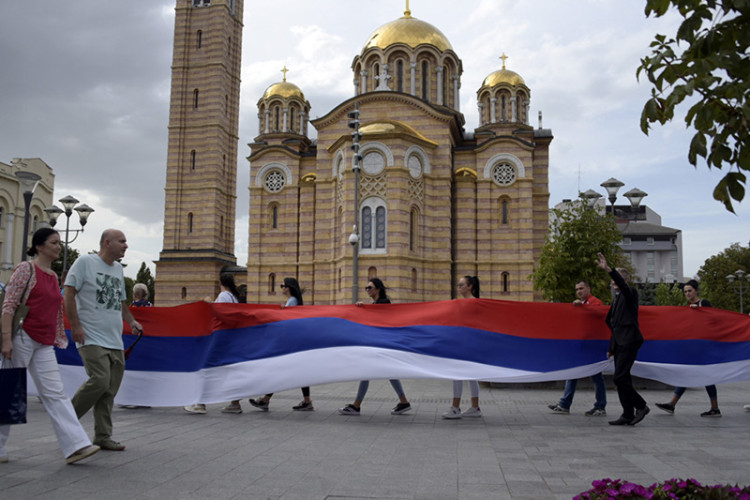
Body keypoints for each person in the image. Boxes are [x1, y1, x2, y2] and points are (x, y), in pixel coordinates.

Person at [1, 228, 100, 464]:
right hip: (21, 338)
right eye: (53, 242)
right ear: (39, 246)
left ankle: (76, 446)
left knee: (55, 393)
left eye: (59, 242)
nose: (59, 246)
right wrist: (6, 339)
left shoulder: (54, 276)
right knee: (9, 391)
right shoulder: (26, 269)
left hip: (44, 342)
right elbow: (9, 305)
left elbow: (55, 310)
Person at [65, 229, 143, 451]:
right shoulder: (84, 262)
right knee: (99, 380)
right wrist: (76, 326)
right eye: (122, 241)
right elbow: (69, 293)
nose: (126, 245)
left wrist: (132, 322)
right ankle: (67, 423)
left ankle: (102, 436)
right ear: (107, 243)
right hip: (90, 336)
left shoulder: (118, 269)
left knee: (109, 389)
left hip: (114, 339)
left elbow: (121, 302)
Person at [338, 278, 412, 416]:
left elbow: (380, 319)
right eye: (366, 288)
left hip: (381, 344)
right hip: (379, 344)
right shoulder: (375, 303)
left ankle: (356, 405)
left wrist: (365, 309)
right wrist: (364, 308)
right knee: (388, 372)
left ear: (378, 289)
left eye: (370, 287)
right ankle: (404, 402)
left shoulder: (384, 303)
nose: (367, 290)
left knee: (368, 372)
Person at [596, 253, 649, 426]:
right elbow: (611, 323)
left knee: (619, 378)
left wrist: (609, 270)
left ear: (624, 279)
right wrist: (612, 346)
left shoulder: (630, 293)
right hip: (620, 342)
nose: (613, 282)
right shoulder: (616, 299)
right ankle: (627, 413)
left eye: (616, 279)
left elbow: (624, 288)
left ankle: (641, 406)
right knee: (623, 378)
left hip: (630, 341)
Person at [655, 279, 721, 417]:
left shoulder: (704, 303)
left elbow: (714, 318)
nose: (687, 294)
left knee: (700, 375)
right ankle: (673, 404)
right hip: (693, 347)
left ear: (696, 291)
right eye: (685, 292)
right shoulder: (687, 308)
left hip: (703, 347)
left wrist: (700, 311)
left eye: (690, 291)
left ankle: (712, 408)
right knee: (691, 374)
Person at [249, 277, 314, 411]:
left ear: (288, 287)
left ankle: (266, 400)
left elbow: (288, 322)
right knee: (297, 372)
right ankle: (306, 401)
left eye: (283, 285)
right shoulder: (293, 301)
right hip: (294, 344)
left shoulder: (293, 301)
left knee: (278, 370)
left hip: (290, 345)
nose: (281, 288)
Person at [548, 280, 607, 416]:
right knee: (573, 374)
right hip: (583, 345)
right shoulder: (581, 304)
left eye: (581, 288)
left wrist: (583, 308)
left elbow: (599, 315)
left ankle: (600, 406)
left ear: (588, 289)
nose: (579, 291)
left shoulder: (595, 302)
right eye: (577, 289)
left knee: (596, 377)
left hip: (592, 347)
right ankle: (565, 404)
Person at [185, 274, 242, 414]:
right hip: (230, 339)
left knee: (206, 368)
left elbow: (217, 314)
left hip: (219, 338)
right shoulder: (234, 298)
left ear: (220, 282)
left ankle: (200, 403)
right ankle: (235, 403)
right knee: (230, 371)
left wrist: (208, 303)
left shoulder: (223, 296)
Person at [442, 275, 483, 419]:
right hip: (466, 342)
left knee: (457, 374)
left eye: (461, 285)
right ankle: (474, 406)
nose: (459, 287)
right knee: (471, 376)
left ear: (470, 286)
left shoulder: (472, 303)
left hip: (466, 343)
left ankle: (455, 407)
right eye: (458, 285)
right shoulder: (463, 303)